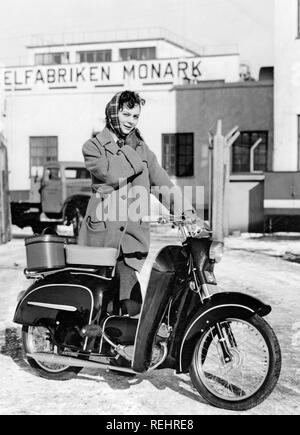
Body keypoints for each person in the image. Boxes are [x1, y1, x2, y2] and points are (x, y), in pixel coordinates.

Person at [78, 90, 198, 317]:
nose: (130, 121)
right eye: (126, 114)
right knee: (97, 302)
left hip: (132, 238)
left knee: (132, 305)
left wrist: (187, 213)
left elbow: (163, 184)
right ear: (113, 113)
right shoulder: (94, 146)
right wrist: (133, 153)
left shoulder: (143, 150)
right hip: (102, 237)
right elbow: (112, 174)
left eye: (135, 117)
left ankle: (128, 349)